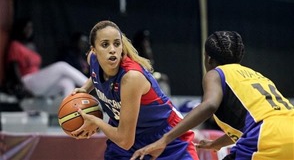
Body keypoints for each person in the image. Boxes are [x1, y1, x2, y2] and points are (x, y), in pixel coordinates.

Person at [131, 31, 294, 160]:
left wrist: (165, 139)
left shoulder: (216, 73)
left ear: (208, 58)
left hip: (266, 137)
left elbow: (209, 106)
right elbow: (250, 126)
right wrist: (216, 144)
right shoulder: (256, 75)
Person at [70, 20, 198, 160]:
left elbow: (125, 140)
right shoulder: (93, 59)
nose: (112, 49)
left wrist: (96, 122)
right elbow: (95, 74)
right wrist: (85, 88)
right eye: (105, 44)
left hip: (166, 139)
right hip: (126, 133)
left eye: (117, 44)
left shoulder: (131, 78)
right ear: (93, 49)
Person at [4, 18, 88, 99]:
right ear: (20, 28)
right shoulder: (15, 45)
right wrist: (23, 87)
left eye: (31, 27)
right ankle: (92, 85)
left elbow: (37, 68)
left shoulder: (31, 46)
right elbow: (14, 69)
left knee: (67, 82)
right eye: (27, 27)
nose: (29, 30)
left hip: (38, 81)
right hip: (27, 81)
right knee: (61, 66)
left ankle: (69, 111)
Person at [133, 29, 171, 96]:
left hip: (149, 78)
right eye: (144, 41)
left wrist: (156, 76)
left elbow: (151, 71)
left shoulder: (148, 54)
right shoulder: (135, 55)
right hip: (139, 80)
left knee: (163, 79)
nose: (146, 43)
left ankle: (165, 104)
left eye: (147, 40)